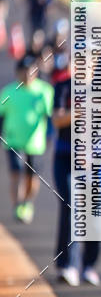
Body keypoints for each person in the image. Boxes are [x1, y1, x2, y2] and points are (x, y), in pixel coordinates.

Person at [52, 56, 101, 286]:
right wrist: (81, 110)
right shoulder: (63, 86)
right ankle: (67, 264)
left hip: (93, 158)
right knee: (70, 204)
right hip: (65, 154)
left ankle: (89, 265)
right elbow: (57, 119)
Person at [0, 54, 54, 223]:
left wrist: (49, 135)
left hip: (36, 142)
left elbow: (50, 116)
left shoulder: (45, 91)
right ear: (18, 73)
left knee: (32, 176)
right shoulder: (9, 92)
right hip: (13, 141)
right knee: (16, 173)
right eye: (24, 71)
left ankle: (27, 202)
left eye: (31, 71)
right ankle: (17, 205)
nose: (27, 75)